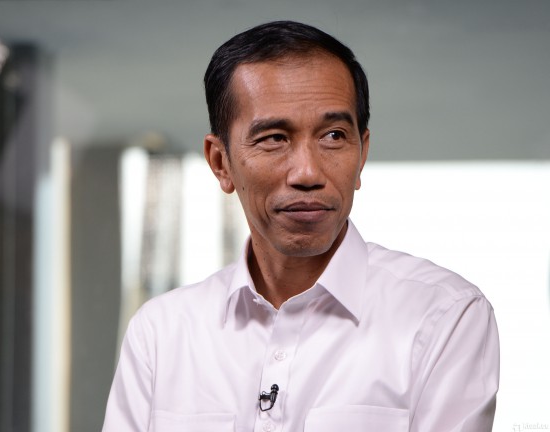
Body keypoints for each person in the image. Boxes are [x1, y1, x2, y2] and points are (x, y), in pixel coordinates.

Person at [102, 20, 499, 431]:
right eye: (274, 138)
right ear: (221, 163)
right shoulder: (161, 333)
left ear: (362, 155)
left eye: (333, 135)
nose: (308, 172)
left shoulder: (443, 316)